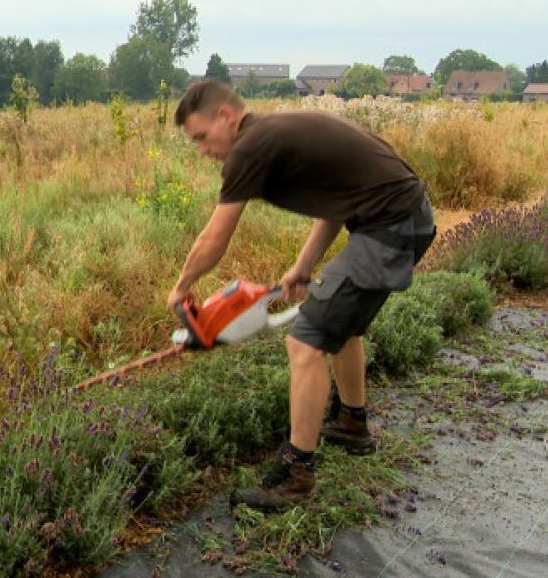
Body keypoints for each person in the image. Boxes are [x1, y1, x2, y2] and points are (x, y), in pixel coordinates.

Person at [168, 80, 435, 511]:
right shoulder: (272, 133)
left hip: (392, 224)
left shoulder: (249, 147)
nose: (202, 150)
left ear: (226, 116)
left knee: (306, 339)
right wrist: (303, 265)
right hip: (398, 218)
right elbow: (337, 202)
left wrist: (181, 288)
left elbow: (215, 237)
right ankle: (351, 423)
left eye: (202, 137)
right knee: (340, 325)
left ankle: (295, 476)